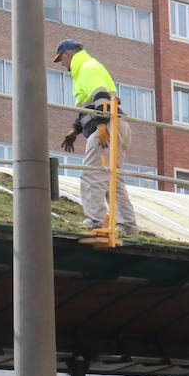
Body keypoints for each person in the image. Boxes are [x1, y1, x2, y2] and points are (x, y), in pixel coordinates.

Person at [52, 39, 138, 235]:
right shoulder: (88, 67)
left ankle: (95, 223)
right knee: (111, 180)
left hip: (107, 126)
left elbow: (101, 96)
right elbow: (88, 105)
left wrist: (100, 125)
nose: (63, 66)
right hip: (117, 125)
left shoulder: (86, 68)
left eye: (61, 60)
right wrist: (75, 129)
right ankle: (127, 226)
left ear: (68, 54)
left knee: (91, 175)